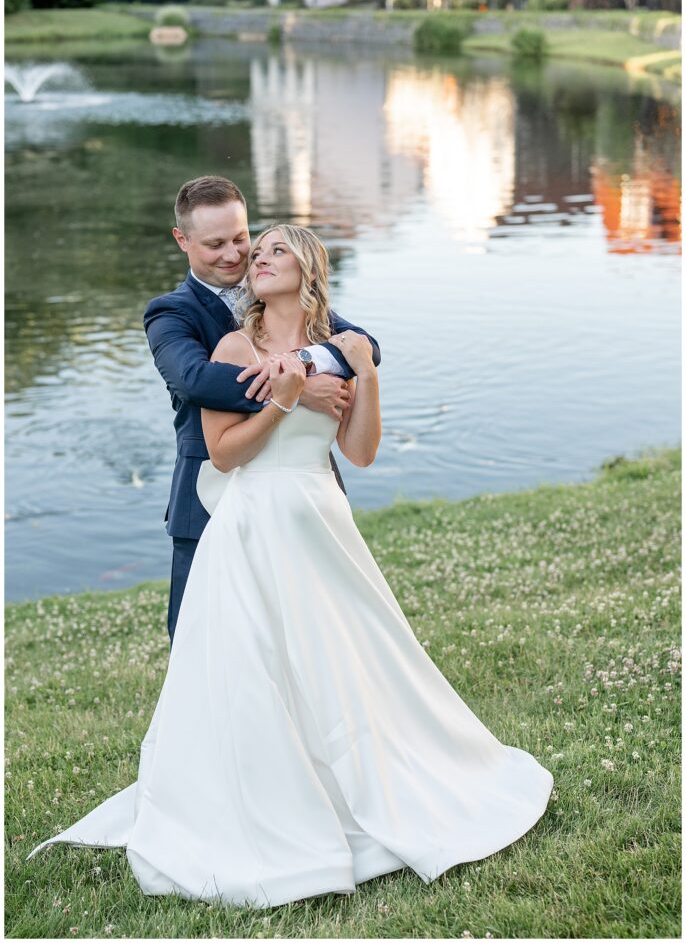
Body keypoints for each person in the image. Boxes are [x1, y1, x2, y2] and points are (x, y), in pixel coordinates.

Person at [26, 224, 554, 909]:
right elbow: (223, 455)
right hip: (251, 525)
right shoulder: (234, 346)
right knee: (256, 668)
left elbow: (359, 452)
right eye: (259, 251)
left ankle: (367, 785)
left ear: (307, 266)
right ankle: (272, 807)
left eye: (273, 249)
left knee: (349, 661)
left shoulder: (342, 344)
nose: (256, 259)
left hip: (321, 520)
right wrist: (283, 395)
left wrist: (360, 371)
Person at [144, 175, 380, 643]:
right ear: (182, 241)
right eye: (215, 244)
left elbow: (366, 346)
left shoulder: (280, 289)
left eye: (240, 239)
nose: (234, 255)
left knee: (317, 636)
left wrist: (305, 365)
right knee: (203, 640)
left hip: (300, 492)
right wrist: (294, 389)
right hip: (208, 491)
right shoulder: (171, 313)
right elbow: (195, 381)